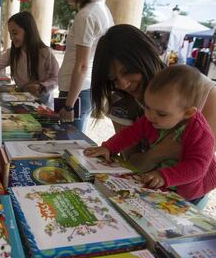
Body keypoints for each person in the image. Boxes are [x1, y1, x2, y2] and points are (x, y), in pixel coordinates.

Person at [90, 24, 216, 172]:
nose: (123, 85)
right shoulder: (120, 102)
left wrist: (162, 171)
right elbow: (133, 163)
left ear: (147, 57)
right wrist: (162, 151)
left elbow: (198, 167)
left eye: (128, 71)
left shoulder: (204, 92)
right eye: (113, 79)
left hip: (187, 191)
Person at [84, 65, 216, 204]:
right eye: (147, 107)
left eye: (161, 113)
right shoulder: (153, 116)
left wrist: (164, 176)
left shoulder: (201, 133)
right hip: (160, 182)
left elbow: (197, 168)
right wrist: (109, 147)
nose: (150, 116)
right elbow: (130, 134)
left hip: (189, 190)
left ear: (188, 113)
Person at [0, 11, 58, 108]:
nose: (11, 38)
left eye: (14, 33)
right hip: (22, 101)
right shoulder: (12, 53)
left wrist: (42, 87)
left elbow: (56, 78)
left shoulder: (45, 53)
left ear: (28, 30)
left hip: (43, 104)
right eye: (10, 34)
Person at [58, 0, 113, 132]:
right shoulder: (101, 9)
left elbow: (82, 65)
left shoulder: (86, 15)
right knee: (74, 138)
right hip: (84, 88)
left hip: (76, 90)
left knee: (68, 140)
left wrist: (68, 105)